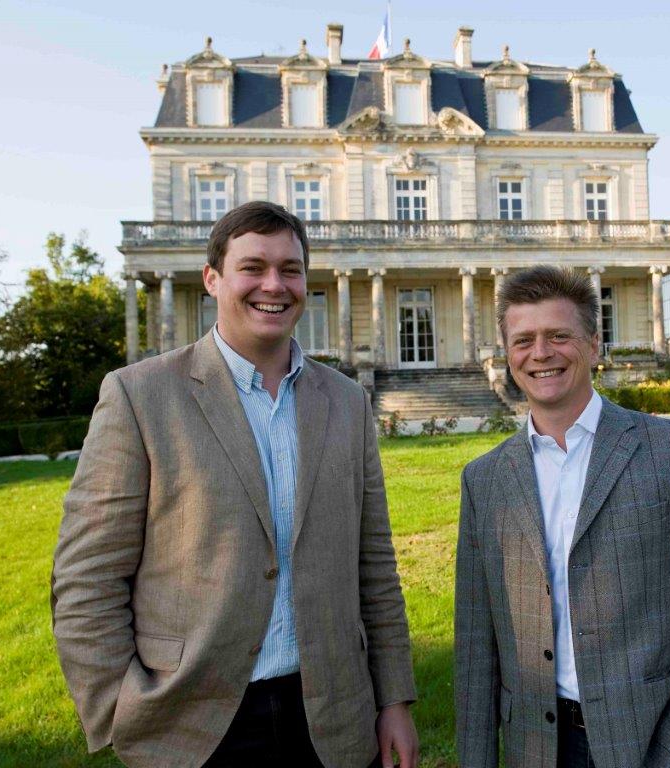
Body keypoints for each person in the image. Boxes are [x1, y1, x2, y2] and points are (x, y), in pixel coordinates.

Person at [52, 201, 418, 768]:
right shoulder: (140, 395)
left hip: (335, 720)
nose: (274, 285)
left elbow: (375, 566)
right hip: (195, 726)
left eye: (290, 269)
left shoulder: (347, 401)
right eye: (253, 267)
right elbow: (87, 577)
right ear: (212, 279)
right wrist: (118, 708)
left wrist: (393, 698)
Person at [454, 265, 670, 768]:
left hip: (647, 739)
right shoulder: (484, 479)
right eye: (523, 340)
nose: (540, 353)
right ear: (508, 354)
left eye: (559, 336)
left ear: (594, 345)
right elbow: (475, 640)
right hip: (534, 747)